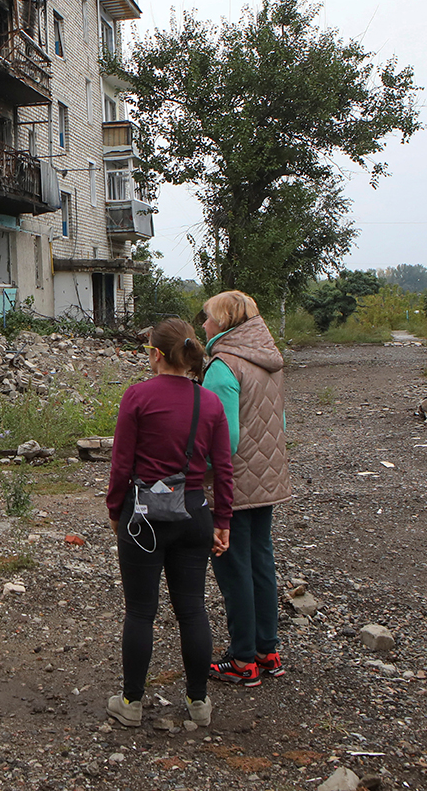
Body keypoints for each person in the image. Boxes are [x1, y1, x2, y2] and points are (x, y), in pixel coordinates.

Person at [105, 318, 234, 728]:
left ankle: (131, 704)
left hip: (143, 516)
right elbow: (224, 468)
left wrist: (115, 510)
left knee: (140, 611)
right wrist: (223, 519)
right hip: (194, 513)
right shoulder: (209, 402)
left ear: (156, 354)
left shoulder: (137, 397)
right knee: (192, 609)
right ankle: (199, 703)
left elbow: (122, 464)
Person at [200, 290, 291, 687]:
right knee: (260, 563)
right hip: (267, 478)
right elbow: (280, 424)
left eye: (208, 318)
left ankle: (241, 660)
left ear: (224, 323)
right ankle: (266, 651)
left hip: (233, 483)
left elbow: (223, 438)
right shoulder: (269, 362)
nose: (203, 325)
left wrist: (197, 478)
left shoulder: (223, 366)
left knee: (233, 567)